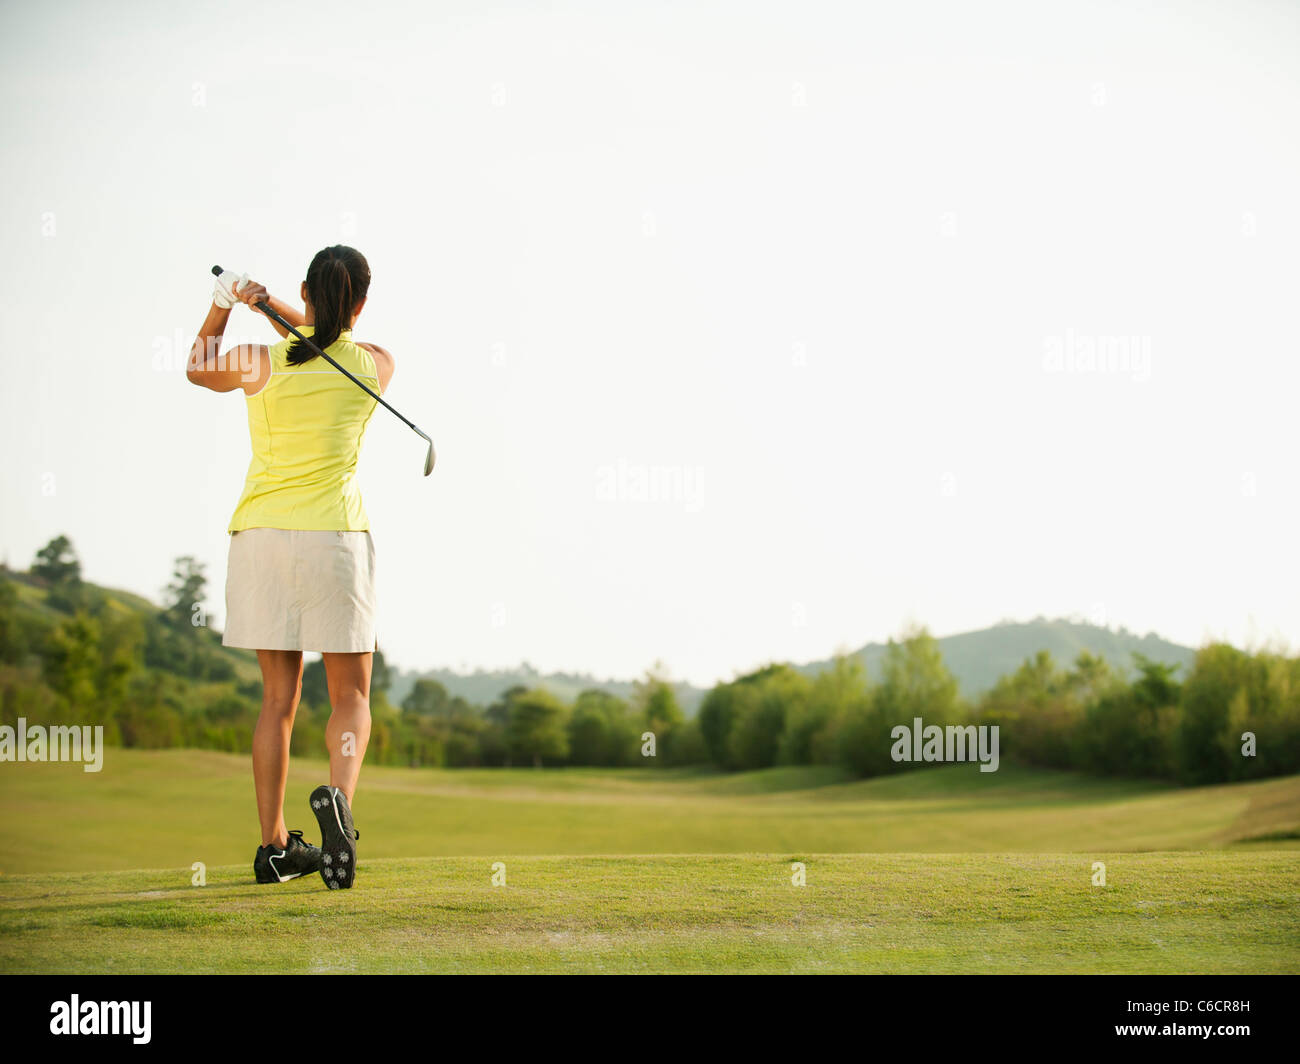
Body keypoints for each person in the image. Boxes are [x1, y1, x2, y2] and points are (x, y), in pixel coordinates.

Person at [186, 245, 394, 889]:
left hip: (263, 538)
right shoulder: (376, 366)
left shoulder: (257, 362)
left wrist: (227, 306)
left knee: (278, 699)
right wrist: (272, 305)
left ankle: (274, 846)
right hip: (335, 537)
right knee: (351, 698)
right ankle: (339, 802)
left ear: (305, 293)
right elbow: (322, 342)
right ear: (362, 302)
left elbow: (197, 369)